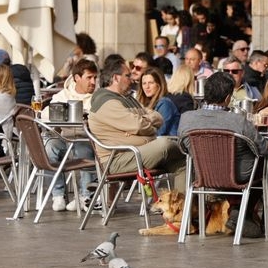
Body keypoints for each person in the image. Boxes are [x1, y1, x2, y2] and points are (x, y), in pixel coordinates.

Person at [178, 72, 268, 237]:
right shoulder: (238, 121)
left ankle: (238, 212)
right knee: (264, 164)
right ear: (228, 97)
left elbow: (184, 148)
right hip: (237, 175)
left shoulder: (186, 118)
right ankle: (242, 212)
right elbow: (262, 148)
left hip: (202, 174)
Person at [89, 58, 186, 191]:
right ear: (116, 78)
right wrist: (146, 126)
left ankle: (182, 203)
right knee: (165, 144)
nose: (133, 79)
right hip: (117, 159)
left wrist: (141, 123)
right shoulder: (106, 102)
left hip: (136, 152)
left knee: (181, 160)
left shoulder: (127, 98)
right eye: (127, 76)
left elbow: (158, 117)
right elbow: (138, 126)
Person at [42, 59, 98, 212]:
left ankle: (85, 196)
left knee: (82, 147)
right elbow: (45, 114)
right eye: (89, 77)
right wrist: (65, 113)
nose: (93, 82)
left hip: (86, 139)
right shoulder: (63, 95)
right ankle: (58, 195)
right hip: (64, 138)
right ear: (77, 78)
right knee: (49, 147)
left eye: (95, 77)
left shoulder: (98, 97)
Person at [137, 67, 180, 136]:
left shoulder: (165, 103)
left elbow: (160, 131)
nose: (147, 87)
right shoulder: (144, 104)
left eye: (151, 83)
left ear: (159, 84)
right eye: (144, 83)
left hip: (166, 141)